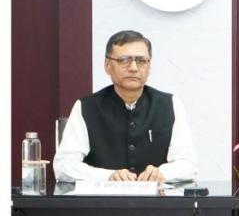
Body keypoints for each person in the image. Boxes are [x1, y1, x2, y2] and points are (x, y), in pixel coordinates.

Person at [54, 30, 197, 183]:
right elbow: (63, 166)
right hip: (104, 198)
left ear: (149, 66)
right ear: (107, 65)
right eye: (124, 60)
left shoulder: (170, 105)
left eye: (141, 60)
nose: (134, 68)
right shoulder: (86, 107)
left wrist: (161, 173)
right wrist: (107, 176)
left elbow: (188, 165)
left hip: (155, 197)